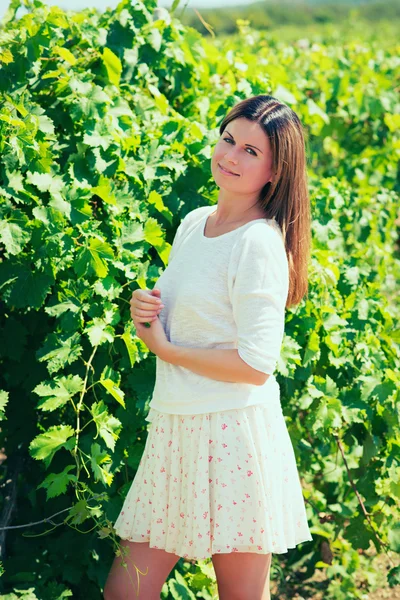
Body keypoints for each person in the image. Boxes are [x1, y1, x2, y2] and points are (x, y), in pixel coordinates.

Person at [104, 94, 313, 600]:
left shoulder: (259, 243)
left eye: (250, 151)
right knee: (124, 593)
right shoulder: (195, 223)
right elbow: (193, 319)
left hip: (232, 435)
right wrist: (147, 310)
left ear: (274, 171)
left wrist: (169, 351)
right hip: (177, 427)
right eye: (228, 140)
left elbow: (256, 364)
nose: (231, 156)